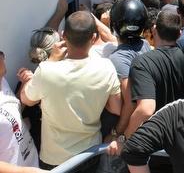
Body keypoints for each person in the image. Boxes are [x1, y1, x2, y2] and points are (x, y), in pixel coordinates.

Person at [20, 11, 122, 170]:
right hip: (90, 153)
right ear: (93, 38)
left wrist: (50, 61)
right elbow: (116, 108)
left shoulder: (47, 70)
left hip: (54, 159)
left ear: (63, 36)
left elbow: (26, 99)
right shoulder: (106, 67)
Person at [119, 11, 184, 173]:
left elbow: (146, 109)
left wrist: (124, 138)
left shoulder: (142, 63)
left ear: (154, 30)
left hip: (155, 151)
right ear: (179, 33)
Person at [99, 0, 151, 173]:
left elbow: (130, 101)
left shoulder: (118, 58)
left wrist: (117, 133)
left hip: (123, 136)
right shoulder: (144, 45)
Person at [0, 51, 39, 168]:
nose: (3, 56)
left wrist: (25, 85)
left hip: (32, 162)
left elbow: (14, 110)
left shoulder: (3, 82)